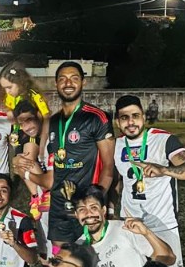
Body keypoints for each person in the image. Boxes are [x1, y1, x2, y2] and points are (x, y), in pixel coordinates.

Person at [14, 62, 114, 251]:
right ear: (56, 84)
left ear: (83, 83)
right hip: (59, 205)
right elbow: (53, 167)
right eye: (63, 79)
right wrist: (24, 169)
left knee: (91, 260)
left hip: (87, 205)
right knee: (61, 261)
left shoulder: (96, 118)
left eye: (74, 78)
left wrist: (96, 200)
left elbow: (108, 167)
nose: (68, 83)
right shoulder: (53, 122)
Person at [113, 94, 185, 267]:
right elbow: (118, 181)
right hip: (131, 224)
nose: (131, 122)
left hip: (163, 224)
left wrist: (164, 170)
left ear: (144, 117)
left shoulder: (164, 140)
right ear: (117, 122)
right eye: (124, 117)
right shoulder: (117, 144)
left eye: (135, 116)